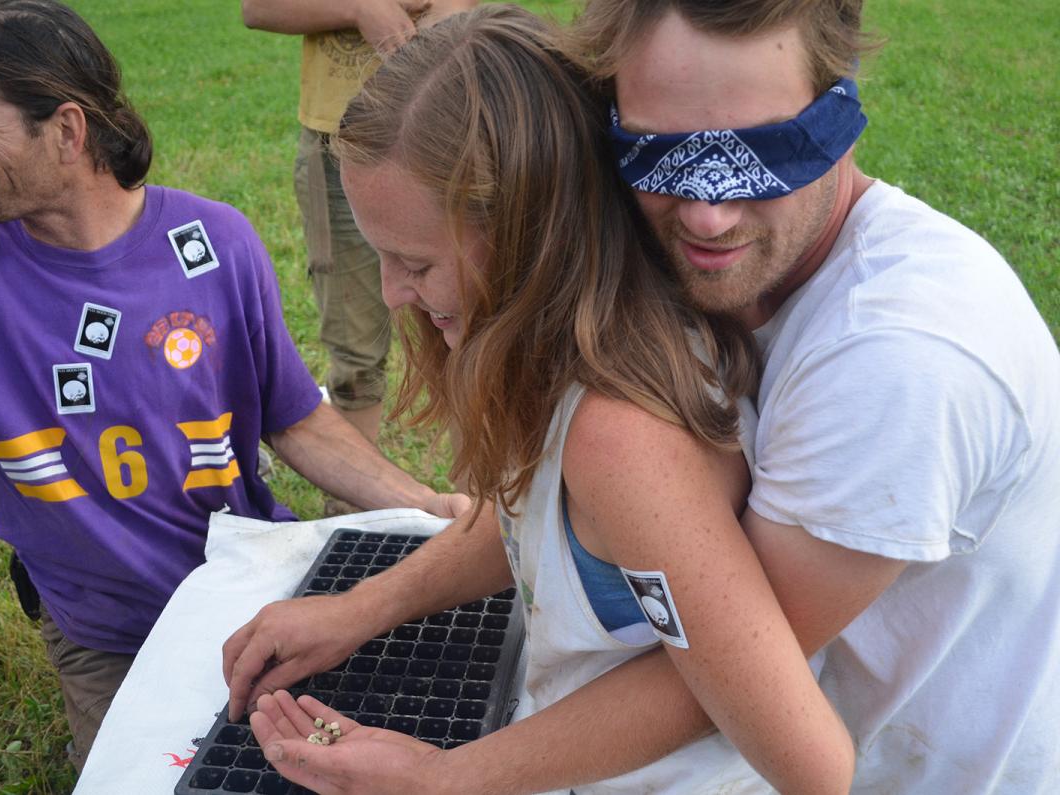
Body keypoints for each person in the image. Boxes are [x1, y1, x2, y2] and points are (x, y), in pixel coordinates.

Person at [222, 7, 856, 793]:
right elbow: (538, 516)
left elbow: (811, 763)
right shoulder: (564, 354)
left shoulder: (621, 439)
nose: (393, 294)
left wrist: (441, 779)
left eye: (414, 262)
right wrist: (360, 608)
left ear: (529, 235)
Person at [0, 0, 467, 773]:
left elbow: (295, 418)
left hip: (249, 588)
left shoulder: (215, 242)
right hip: (105, 635)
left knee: (358, 757)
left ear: (68, 131)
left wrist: (427, 503)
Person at [558, 1, 1060, 792]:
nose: (706, 215)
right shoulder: (722, 270)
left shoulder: (900, 359)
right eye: (658, 154)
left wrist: (440, 780)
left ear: (842, 121)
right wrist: (371, 603)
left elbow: (729, 680)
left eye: (764, 153)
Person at [240, 0, 477, 451]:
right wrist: (360, 9)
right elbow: (257, 8)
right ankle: (355, 511)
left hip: (447, 132)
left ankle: (486, 504)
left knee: (471, 337)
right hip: (335, 142)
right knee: (355, 347)